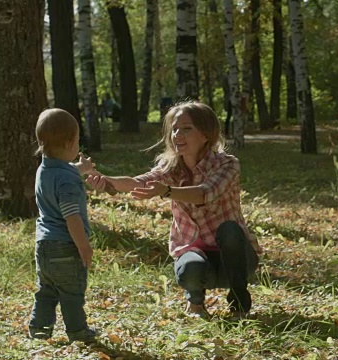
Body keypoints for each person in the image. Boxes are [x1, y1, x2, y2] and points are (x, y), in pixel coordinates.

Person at [86, 100, 263, 320]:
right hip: (199, 257)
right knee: (189, 266)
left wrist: (167, 191)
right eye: (175, 129)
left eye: (187, 128)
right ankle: (195, 304)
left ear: (206, 134)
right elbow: (138, 182)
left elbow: (204, 193)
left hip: (236, 261)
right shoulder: (171, 168)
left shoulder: (227, 164)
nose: (178, 134)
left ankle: (239, 305)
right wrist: (105, 181)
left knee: (230, 231)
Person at [28, 108, 99, 343]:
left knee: (46, 290)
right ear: (70, 143)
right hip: (66, 246)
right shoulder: (67, 179)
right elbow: (72, 216)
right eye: (78, 139)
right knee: (72, 292)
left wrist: (83, 169)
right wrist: (83, 246)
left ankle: (39, 328)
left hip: (44, 245)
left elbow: (65, 171)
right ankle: (78, 331)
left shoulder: (44, 169)